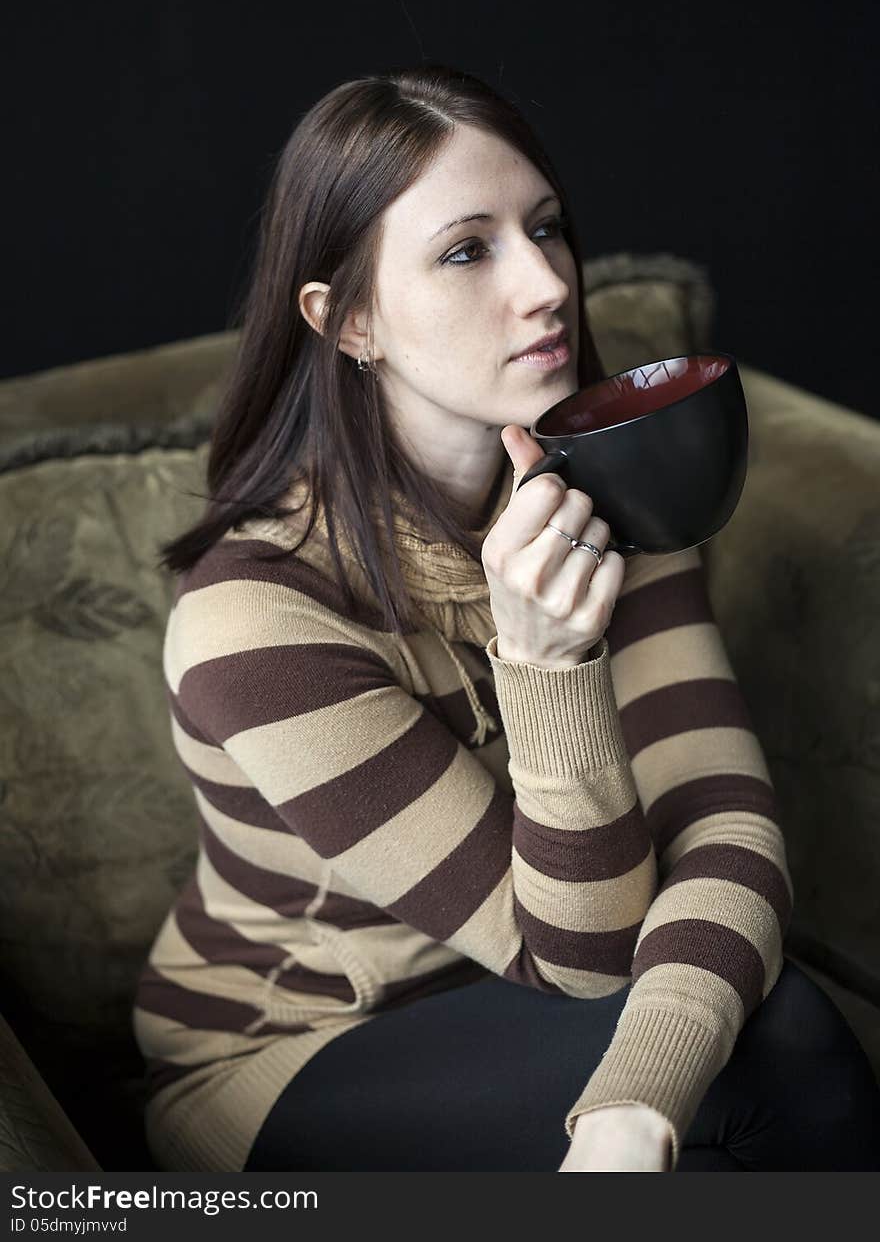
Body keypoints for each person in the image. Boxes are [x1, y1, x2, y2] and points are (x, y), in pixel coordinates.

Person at [132, 62, 880, 1173]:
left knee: (737, 1084)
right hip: (300, 1049)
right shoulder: (254, 624)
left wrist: (635, 1102)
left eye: (547, 228)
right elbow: (579, 956)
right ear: (349, 320)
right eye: (466, 249)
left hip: (541, 1010)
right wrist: (548, 662)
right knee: (779, 1050)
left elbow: (722, 820)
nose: (546, 284)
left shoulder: (617, 495)